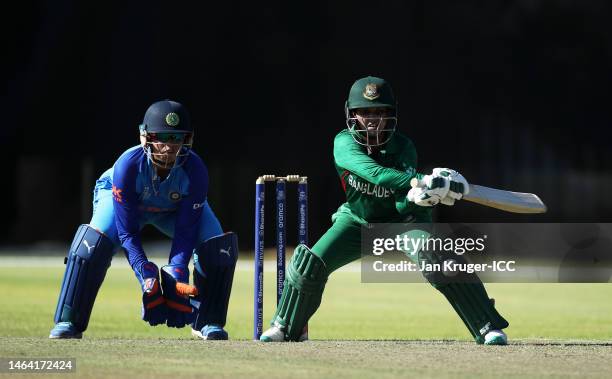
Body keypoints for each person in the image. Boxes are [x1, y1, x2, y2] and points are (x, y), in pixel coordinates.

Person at [259, 76, 509, 345]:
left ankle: (487, 326)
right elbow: (374, 174)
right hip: (357, 219)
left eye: (379, 112)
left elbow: (402, 202)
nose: (372, 119)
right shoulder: (343, 143)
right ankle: (284, 327)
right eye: (365, 112)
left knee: (438, 258)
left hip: (403, 221)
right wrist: (419, 181)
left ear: (391, 114)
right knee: (310, 264)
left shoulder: (404, 147)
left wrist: (425, 196)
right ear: (351, 114)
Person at [49, 100, 238, 340]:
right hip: (128, 207)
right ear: (145, 137)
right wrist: (145, 273)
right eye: (162, 137)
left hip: (172, 211)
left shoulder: (195, 168)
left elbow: (186, 229)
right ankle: (69, 322)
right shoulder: (127, 166)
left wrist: (176, 270)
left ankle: (208, 321)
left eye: (176, 138)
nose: (169, 147)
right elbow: (127, 231)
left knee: (218, 248)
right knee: (90, 246)